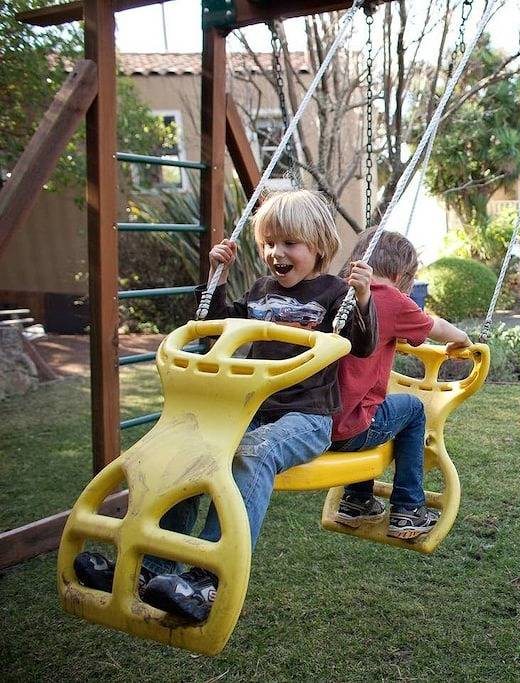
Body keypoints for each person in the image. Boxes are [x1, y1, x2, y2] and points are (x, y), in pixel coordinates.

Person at [74, 189, 377, 622]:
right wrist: (215, 277)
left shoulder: (334, 293)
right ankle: (154, 571)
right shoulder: (259, 291)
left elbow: (361, 346)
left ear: (319, 245)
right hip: (249, 410)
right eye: (269, 244)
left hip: (305, 417)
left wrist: (363, 299)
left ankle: (207, 581)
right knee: (193, 459)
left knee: (253, 455)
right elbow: (214, 331)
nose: (276, 253)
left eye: (289, 243)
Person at [330, 228, 471, 540]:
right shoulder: (392, 299)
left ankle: (357, 502)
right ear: (400, 273)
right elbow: (434, 327)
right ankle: (408, 510)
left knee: (369, 402)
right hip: (350, 429)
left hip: (313, 425)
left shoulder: (335, 293)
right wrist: (462, 339)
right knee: (411, 410)